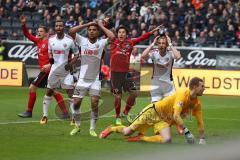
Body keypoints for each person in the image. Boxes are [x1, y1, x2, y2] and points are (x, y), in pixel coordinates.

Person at [100, 77, 206, 145]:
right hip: (153, 112)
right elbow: (176, 116)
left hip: (163, 119)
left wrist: (202, 139)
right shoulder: (182, 95)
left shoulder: (197, 103)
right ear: (195, 87)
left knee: (167, 140)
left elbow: (200, 122)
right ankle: (111, 129)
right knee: (127, 132)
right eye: (202, 86)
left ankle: (141, 139)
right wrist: (187, 133)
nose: (204, 88)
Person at [97, 20, 161, 125]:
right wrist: (101, 25)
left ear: (126, 34)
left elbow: (142, 37)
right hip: (115, 74)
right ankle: (117, 117)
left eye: (123, 32)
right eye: (119, 32)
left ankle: (125, 113)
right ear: (117, 34)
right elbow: (106, 33)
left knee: (134, 93)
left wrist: (152, 32)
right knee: (118, 96)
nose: (121, 34)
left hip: (126, 73)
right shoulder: (113, 41)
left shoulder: (130, 42)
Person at [17, 16, 68, 118]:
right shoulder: (38, 41)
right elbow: (27, 34)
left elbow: (56, 56)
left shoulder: (50, 42)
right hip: (45, 70)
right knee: (53, 91)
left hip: (48, 71)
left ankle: (29, 112)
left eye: (41, 31)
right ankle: (66, 113)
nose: (38, 33)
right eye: (38, 31)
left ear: (46, 33)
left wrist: (50, 65)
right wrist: (23, 24)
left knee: (32, 87)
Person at [68, 21, 108, 137]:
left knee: (94, 103)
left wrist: (100, 25)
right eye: (89, 30)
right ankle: (77, 126)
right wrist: (87, 24)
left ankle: (92, 128)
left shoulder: (101, 43)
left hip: (95, 80)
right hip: (82, 79)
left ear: (98, 32)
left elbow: (112, 37)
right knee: (76, 104)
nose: (91, 31)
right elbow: (71, 31)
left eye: (94, 30)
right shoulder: (82, 40)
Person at [40, 20, 79, 124]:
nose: (58, 27)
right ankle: (45, 116)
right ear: (55, 27)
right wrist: (50, 58)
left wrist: (70, 64)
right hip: (54, 70)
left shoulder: (70, 40)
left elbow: (77, 54)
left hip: (66, 71)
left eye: (60, 26)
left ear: (63, 27)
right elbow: (49, 52)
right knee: (49, 91)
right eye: (56, 25)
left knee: (70, 93)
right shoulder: (51, 39)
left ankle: (74, 117)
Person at [141, 35, 181, 103]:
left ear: (166, 45)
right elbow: (143, 56)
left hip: (168, 84)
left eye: (163, 43)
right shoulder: (154, 53)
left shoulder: (170, 53)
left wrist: (170, 44)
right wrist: (152, 44)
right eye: (159, 43)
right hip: (156, 83)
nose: (161, 45)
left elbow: (178, 56)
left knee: (171, 107)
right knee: (155, 107)